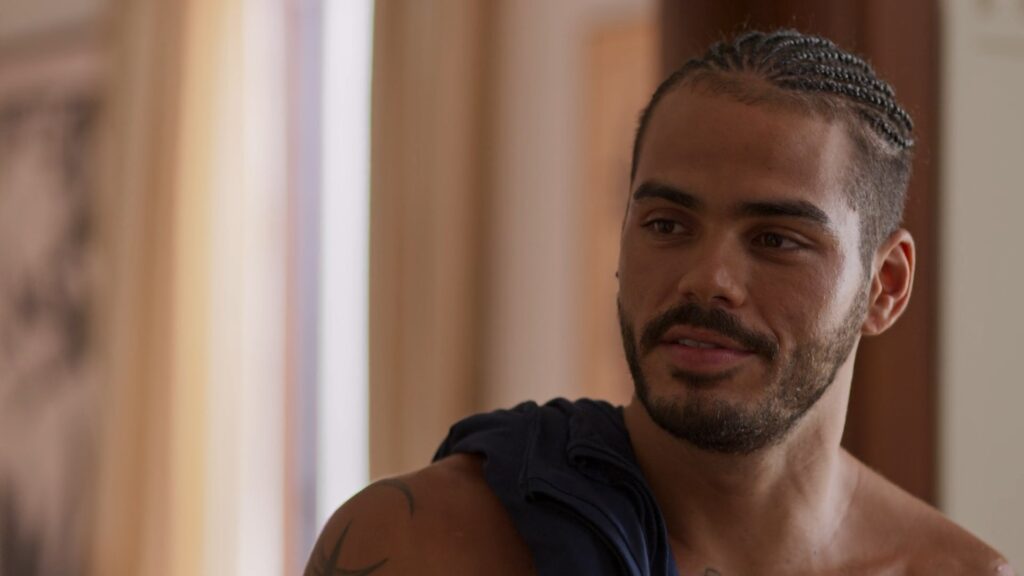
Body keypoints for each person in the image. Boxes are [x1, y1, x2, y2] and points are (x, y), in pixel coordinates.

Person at [305, 29, 1015, 575]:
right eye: (667, 226)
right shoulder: (417, 542)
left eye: (775, 239)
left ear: (885, 285)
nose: (707, 279)